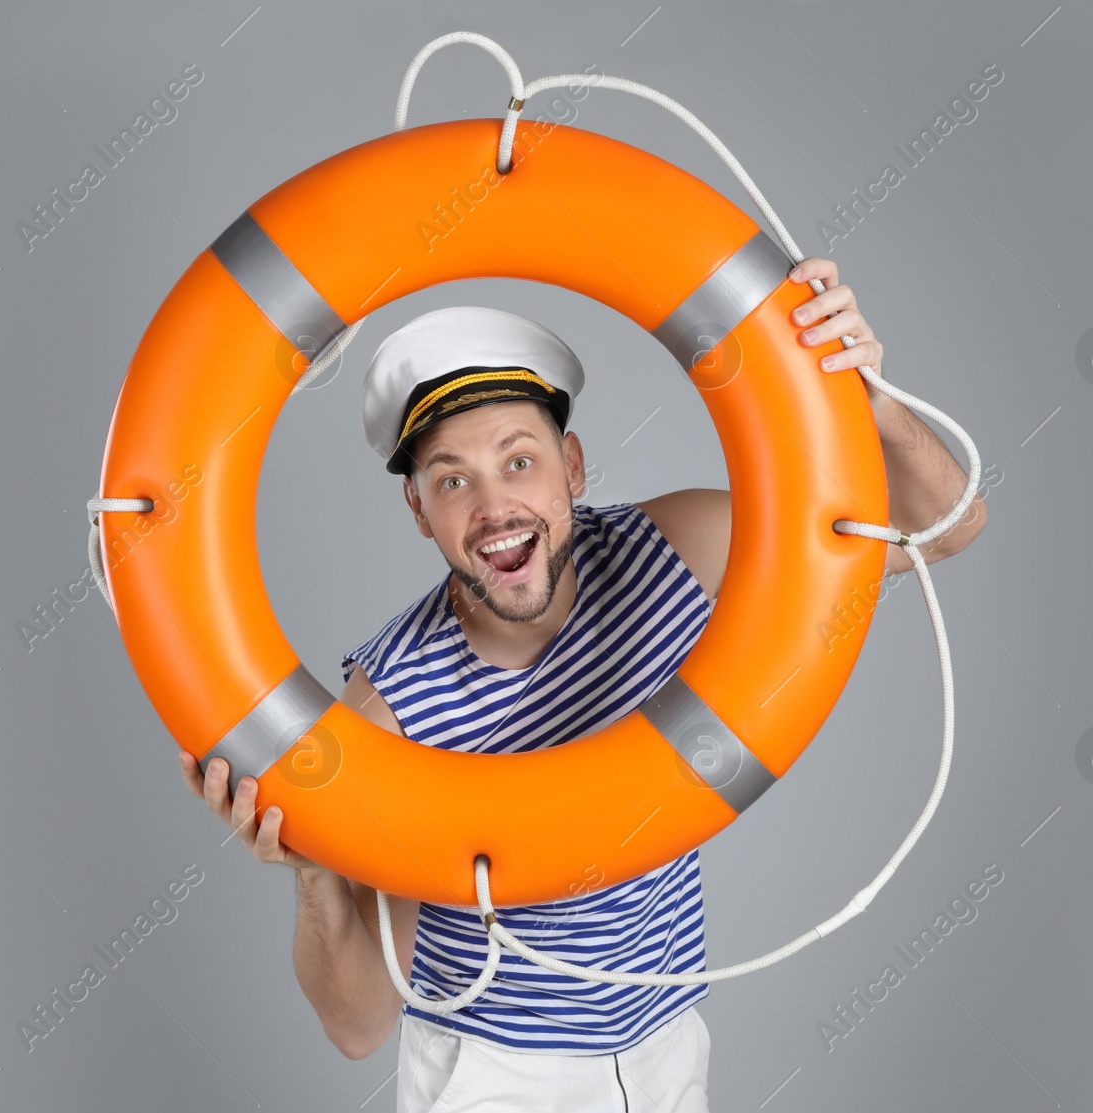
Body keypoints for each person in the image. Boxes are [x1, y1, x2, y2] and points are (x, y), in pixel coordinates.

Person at [179, 258, 989, 1111]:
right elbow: (358, 1026)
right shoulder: (389, 706)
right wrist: (314, 873)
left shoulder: (673, 551)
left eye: (518, 461)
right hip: (494, 1074)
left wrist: (865, 399)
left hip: (667, 1045)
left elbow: (946, 527)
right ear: (421, 511)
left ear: (573, 465)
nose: (493, 507)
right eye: (452, 479)